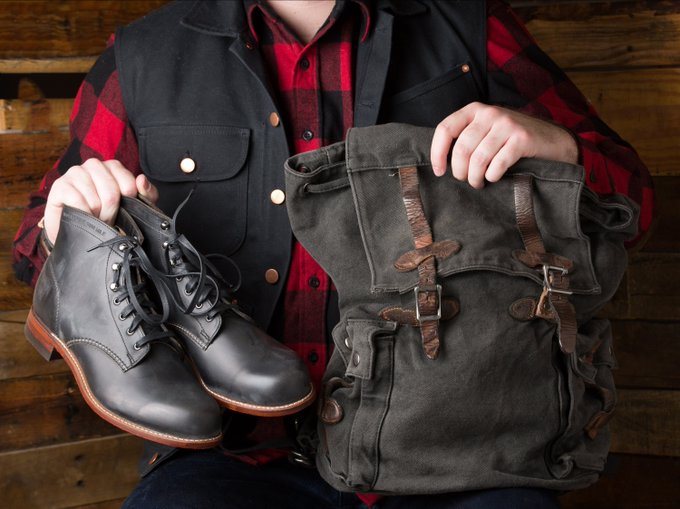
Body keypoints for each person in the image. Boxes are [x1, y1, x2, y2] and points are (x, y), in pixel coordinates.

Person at [13, 1, 653, 508]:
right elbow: (31, 254)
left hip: (463, 454)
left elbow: (635, 207)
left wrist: (561, 149)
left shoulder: (472, 26)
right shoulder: (144, 55)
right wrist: (65, 224)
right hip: (230, 459)